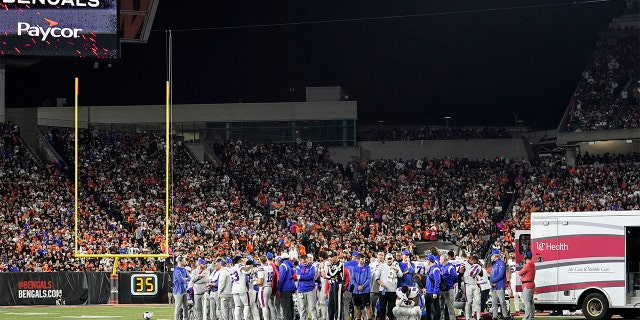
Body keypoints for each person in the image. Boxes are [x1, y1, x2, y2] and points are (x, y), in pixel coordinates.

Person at [374, 252, 402, 320]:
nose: (389, 260)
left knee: (391, 307)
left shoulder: (396, 266)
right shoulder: (381, 266)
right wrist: (380, 283)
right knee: (382, 307)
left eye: (390, 259)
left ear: (392, 259)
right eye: (388, 259)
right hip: (383, 290)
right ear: (385, 259)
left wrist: (396, 269)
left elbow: (400, 275)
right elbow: (376, 277)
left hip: (392, 290)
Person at [325, 250, 351, 320]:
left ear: (336, 257)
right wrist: (331, 279)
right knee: (330, 304)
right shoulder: (331, 265)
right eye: (330, 257)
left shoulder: (340, 264)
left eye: (332, 257)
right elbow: (327, 276)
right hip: (332, 285)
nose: (331, 259)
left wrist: (331, 277)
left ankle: (338, 318)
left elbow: (332, 274)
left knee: (338, 305)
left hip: (339, 285)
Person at [296, 253, 318, 320]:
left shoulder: (312, 267)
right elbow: (298, 276)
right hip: (301, 290)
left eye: (305, 261)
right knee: (302, 308)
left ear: (308, 260)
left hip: (310, 289)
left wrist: (302, 276)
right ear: (301, 261)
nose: (304, 263)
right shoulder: (298, 267)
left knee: (312, 307)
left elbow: (311, 276)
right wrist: (305, 276)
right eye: (303, 262)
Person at [351, 253, 372, 320]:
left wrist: (363, 286)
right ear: (358, 260)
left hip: (365, 290)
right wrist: (357, 286)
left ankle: (369, 318)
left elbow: (369, 278)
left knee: (367, 306)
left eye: (364, 259)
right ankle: (358, 318)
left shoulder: (367, 267)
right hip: (356, 291)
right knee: (357, 306)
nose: (364, 260)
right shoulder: (355, 268)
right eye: (362, 259)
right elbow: (352, 279)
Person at [461, 255, 481, 320]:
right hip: (468, 285)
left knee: (478, 301)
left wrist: (479, 269)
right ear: (472, 260)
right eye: (475, 261)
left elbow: (481, 274)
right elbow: (461, 271)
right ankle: (467, 317)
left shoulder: (477, 266)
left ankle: (478, 317)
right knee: (468, 302)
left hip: (474, 284)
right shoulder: (465, 263)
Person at [489, 249, 508, 320]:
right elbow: (493, 275)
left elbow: (501, 274)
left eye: (492, 256)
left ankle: (505, 315)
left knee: (502, 301)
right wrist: (491, 281)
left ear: (495, 255)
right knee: (494, 302)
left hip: (500, 285)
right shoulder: (495, 264)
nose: (491, 257)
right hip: (494, 286)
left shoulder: (501, 263)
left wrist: (492, 281)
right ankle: (495, 316)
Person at [230, 255, 250, 320]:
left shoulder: (231, 268)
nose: (242, 261)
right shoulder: (240, 265)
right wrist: (250, 266)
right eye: (241, 260)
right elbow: (246, 271)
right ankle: (245, 318)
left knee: (237, 306)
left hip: (234, 287)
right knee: (246, 305)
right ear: (238, 260)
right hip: (241, 287)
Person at [256, 255, 276, 320]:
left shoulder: (261, 268)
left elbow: (260, 281)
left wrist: (255, 283)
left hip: (263, 288)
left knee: (264, 306)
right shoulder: (270, 267)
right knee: (266, 305)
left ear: (260, 260)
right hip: (269, 287)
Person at [277, 253, 296, 320]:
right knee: (290, 307)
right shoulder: (290, 265)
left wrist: (278, 289)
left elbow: (282, 278)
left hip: (285, 289)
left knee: (286, 308)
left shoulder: (283, 265)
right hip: (291, 288)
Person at [439, 254, 458, 320]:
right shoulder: (441, 267)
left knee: (450, 306)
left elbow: (455, 276)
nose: (439, 261)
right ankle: (442, 317)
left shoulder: (450, 267)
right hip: (442, 289)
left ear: (444, 260)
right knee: (441, 305)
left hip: (449, 289)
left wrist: (450, 283)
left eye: (440, 259)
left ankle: (452, 319)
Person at [518, 251, 536, 320]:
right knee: (531, 301)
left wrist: (523, 276)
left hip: (527, 284)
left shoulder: (528, 265)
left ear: (526, 257)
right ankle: (531, 316)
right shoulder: (532, 264)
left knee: (527, 302)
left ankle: (527, 316)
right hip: (531, 284)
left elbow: (520, 273)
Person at [369, 251, 385, 320]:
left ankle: (383, 318)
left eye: (382, 255)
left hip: (383, 288)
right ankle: (372, 318)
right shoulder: (371, 264)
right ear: (377, 256)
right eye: (379, 255)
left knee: (383, 305)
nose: (381, 256)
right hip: (373, 288)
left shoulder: (386, 265)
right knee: (372, 305)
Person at [425, 254, 442, 320]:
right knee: (428, 308)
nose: (426, 261)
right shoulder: (431, 268)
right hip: (428, 291)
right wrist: (426, 288)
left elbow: (437, 281)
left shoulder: (436, 269)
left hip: (433, 292)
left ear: (429, 260)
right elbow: (428, 280)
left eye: (427, 259)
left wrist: (435, 292)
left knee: (436, 308)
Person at [507, 251, 523, 316]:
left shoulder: (519, 260)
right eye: (510, 254)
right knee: (515, 294)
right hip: (513, 278)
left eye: (512, 254)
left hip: (519, 277)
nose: (511, 255)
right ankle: (517, 310)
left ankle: (525, 308)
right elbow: (510, 270)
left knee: (521, 294)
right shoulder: (509, 261)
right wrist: (509, 278)